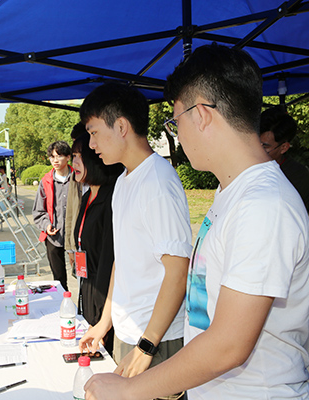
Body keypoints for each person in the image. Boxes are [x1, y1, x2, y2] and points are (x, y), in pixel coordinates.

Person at [85, 44, 309, 400]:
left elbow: (229, 345)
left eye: (176, 121)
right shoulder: (233, 194)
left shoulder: (263, 204)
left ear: (202, 114)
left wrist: (130, 389)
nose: (178, 134)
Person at [78, 82, 192, 400]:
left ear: (121, 126)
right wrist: (104, 322)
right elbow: (123, 259)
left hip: (157, 339)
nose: (91, 144)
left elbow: (178, 271)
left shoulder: (158, 182)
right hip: (130, 334)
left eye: (94, 132)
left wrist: (147, 345)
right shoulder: (125, 181)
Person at [71, 125, 123, 355]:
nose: (73, 163)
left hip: (106, 303)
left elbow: (109, 259)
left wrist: (102, 317)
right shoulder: (87, 197)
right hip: (88, 292)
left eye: (78, 157)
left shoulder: (112, 197)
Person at [33, 140, 72, 291]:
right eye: (52, 157)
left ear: (68, 157)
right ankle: (63, 302)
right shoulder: (46, 181)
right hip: (54, 237)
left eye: (59, 156)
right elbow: (38, 211)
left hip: (76, 236)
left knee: (83, 275)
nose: (55, 160)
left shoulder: (78, 178)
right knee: (59, 279)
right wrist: (46, 225)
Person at [259, 106, 309, 211]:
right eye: (255, 144)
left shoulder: (298, 176)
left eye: (264, 147)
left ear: (284, 147)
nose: (257, 150)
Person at [65, 124, 85, 278]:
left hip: (93, 249)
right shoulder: (74, 177)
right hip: (78, 247)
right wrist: (70, 247)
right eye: (74, 155)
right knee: (82, 283)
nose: (75, 161)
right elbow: (70, 214)